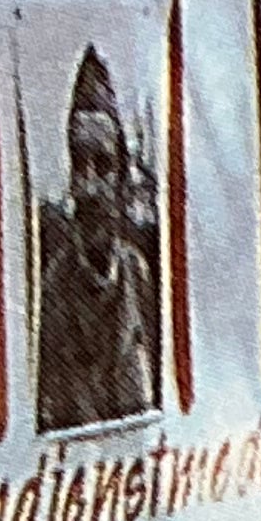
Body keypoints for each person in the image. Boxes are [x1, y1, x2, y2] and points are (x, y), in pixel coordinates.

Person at [35, 45, 161, 432]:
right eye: (79, 164)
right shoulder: (55, 290)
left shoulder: (138, 273)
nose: (88, 186)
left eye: (103, 166)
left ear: (123, 180)